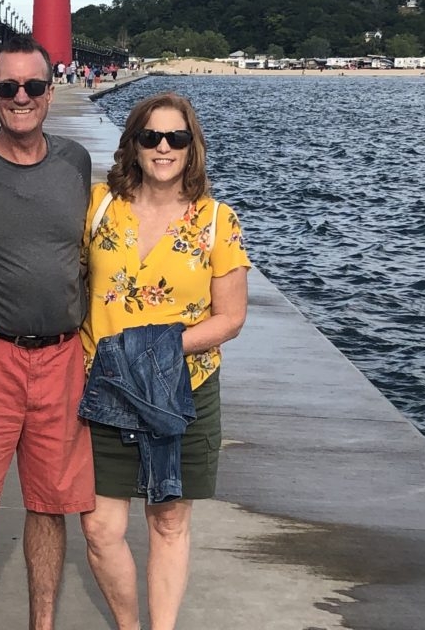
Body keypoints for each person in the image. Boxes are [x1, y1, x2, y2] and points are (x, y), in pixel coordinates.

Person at [0, 35, 95, 630]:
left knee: (49, 505)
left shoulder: (75, 162)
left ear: (50, 92)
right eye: (8, 88)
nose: (21, 97)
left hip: (62, 360)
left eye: (33, 86)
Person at [78, 92, 251, 630]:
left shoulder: (217, 221)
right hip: (104, 388)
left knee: (169, 521)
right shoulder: (99, 205)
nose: (163, 148)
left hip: (184, 390)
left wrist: (155, 349)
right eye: (151, 136)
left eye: (176, 137)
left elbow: (231, 317)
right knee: (101, 529)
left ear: (191, 146)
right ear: (133, 143)